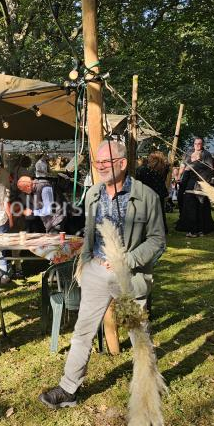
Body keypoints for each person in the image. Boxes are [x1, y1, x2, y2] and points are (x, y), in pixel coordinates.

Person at [38, 140, 165, 409]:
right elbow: (89, 232)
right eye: (98, 162)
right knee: (83, 331)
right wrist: (86, 263)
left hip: (128, 277)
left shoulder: (146, 197)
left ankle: (148, 386)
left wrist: (126, 261)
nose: (100, 167)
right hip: (96, 272)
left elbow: (157, 241)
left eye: (106, 162)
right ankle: (68, 388)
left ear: (123, 163)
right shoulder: (94, 193)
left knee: (138, 333)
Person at [175, 137, 214, 237]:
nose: (197, 145)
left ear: (202, 144)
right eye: (195, 143)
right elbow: (183, 166)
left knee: (200, 205)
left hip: (200, 183)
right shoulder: (189, 152)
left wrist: (197, 164)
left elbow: (210, 169)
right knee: (184, 202)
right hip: (187, 182)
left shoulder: (206, 154)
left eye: (199, 143)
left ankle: (200, 229)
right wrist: (179, 176)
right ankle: (186, 225)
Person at [135, 151, 170, 233]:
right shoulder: (163, 169)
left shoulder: (144, 170)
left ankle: (151, 229)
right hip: (159, 193)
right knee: (159, 211)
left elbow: (139, 180)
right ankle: (161, 229)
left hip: (148, 193)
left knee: (150, 212)